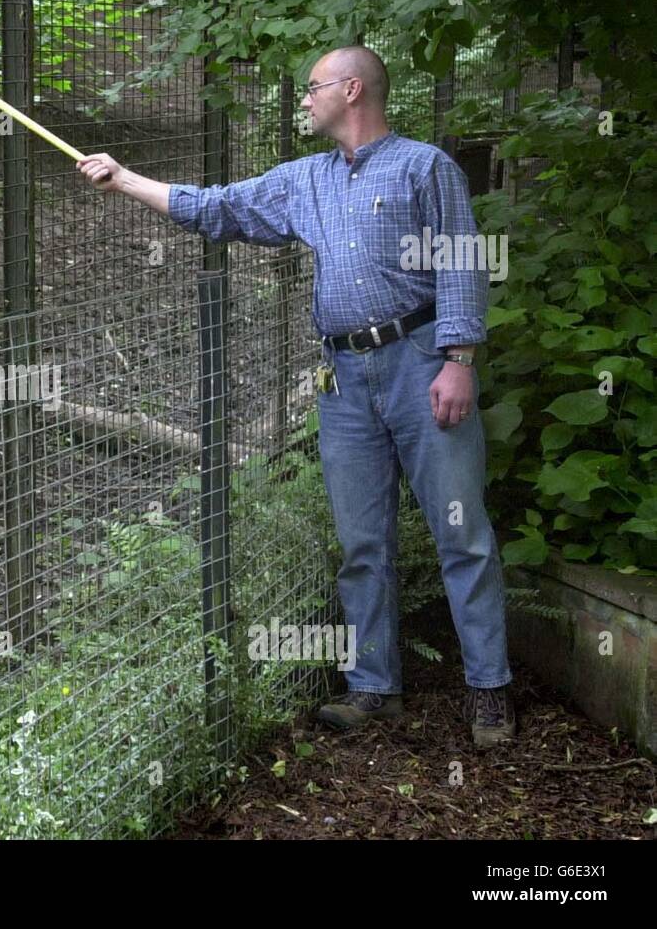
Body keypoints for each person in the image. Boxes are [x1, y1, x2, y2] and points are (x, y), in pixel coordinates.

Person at [77, 45, 514, 747]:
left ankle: (489, 689)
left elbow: (464, 259)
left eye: (311, 89)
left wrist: (458, 357)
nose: (302, 101)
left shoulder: (425, 166)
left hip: (420, 363)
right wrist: (125, 180)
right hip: (344, 380)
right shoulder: (304, 179)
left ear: (351, 89)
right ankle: (375, 689)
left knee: (461, 534)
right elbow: (216, 209)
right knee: (361, 541)